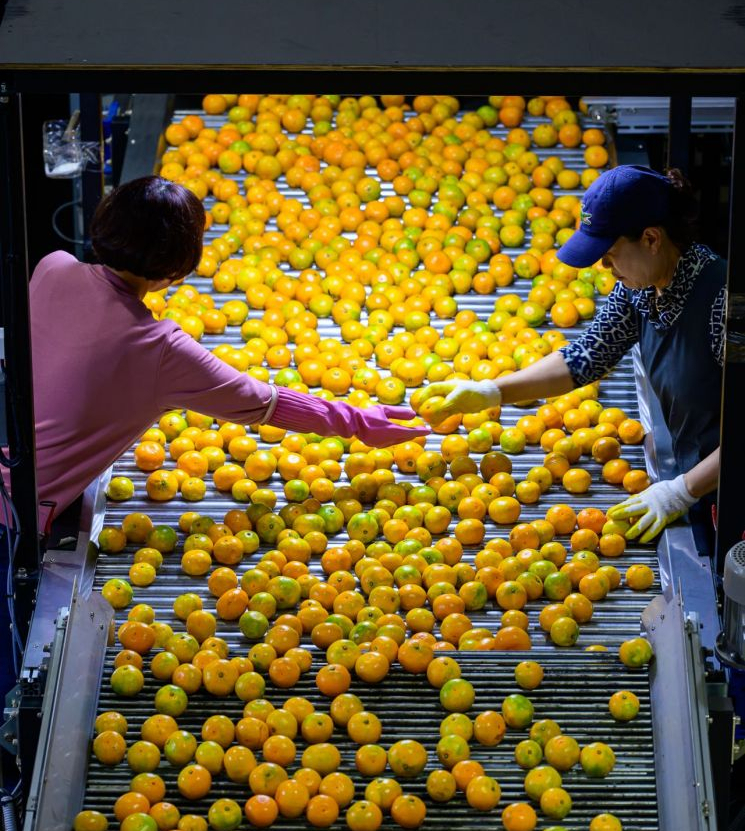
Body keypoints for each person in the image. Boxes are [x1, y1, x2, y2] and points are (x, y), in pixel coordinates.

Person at [27, 176, 427, 528]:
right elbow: (265, 403)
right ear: (178, 271)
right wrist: (359, 421)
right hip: (14, 514)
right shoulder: (160, 349)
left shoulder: (52, 266)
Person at [420, 165, 726, 547]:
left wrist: (682, 490)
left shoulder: (723, 306)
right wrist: (491, 391)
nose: (605, 268)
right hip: (696, 480)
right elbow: (585, 357)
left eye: (611, 254)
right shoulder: (642, 290)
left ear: (651, 239)